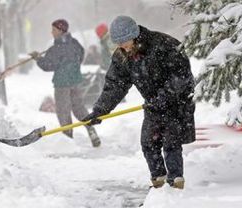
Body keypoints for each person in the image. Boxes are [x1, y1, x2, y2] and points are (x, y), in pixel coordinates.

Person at [82, 16, 195, 189]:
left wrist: (164, 96)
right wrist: (100, 111)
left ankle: (176, 183)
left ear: (134, 35)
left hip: (176, 101)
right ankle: (159, 181)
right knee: (148, 142)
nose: (121, 46)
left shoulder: (163, 44)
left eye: (124, 41)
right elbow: (115, 85)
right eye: (118, 42)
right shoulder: (122, 55)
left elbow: (181, 75)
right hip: (152, 104)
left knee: (171, 142)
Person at [29, 19, 101, 147]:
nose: (51, 32)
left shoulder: (56, 48)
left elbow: (48, 65)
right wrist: (72, 68)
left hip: (62, 83)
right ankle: (91, 130)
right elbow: (81, 55)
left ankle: (68, 139)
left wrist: (38, 58)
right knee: (79, 108)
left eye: (54, 30)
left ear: (61, 30)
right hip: (76, 81)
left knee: (63, 111)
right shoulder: (75, 43)